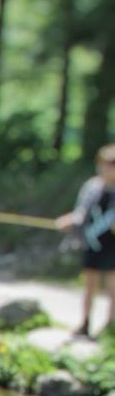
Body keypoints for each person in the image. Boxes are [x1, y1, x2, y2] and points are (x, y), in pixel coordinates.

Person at [55, 144, 115, 338]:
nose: (108, 168)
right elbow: (81, 212)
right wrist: (69, 220)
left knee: (113, 286)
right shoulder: (92, 187)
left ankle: (110, 327)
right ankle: (85, 323)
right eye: (106, 164)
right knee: (90, 285)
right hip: (92, 242)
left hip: (112, 245)